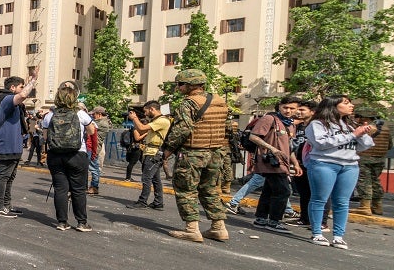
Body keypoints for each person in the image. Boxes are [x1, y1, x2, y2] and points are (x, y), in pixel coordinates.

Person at [162, 69, 231, 243]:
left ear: (190, 85)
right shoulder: (220, 101)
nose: (178, 88)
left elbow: (182, 129)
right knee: (210, 189)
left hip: (193, 153)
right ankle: (219, 228)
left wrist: (168, 150)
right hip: (216, 153)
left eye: (180, 84)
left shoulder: (189, 103)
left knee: (186, 190)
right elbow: (229, 128)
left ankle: (192, 229)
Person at [304, 95, 377, 249]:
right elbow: (321, 143)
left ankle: (338, 236)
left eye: (350, 102)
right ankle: (317, 233)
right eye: (346, 103)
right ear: (333, 106)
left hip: (349, 166)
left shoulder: (348, 125)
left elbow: (364, 146)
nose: (351, 105)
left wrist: (362, 133)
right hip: (324, 164)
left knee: (342, 202)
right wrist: (353, 135)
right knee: (319, 199)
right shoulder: (317, 124)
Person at [42, 81, 96, 231]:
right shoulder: (80, 114)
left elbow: (45, 137)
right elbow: (92, 131)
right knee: (78, 189)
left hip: (56, 155)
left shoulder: (49, 115)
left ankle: (62, 222)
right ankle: (82, 222)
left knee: (60, 189)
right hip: (77, 155)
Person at [244, 96, 301, 233]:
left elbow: (290, 147)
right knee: (284, 191)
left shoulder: (290, 124)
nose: (288, 111)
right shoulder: (270, 119)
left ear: (296, 109)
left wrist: (295, 164)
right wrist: (272, 148)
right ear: (279, 107)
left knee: (269, 190)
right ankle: (274, 221)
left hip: (283, 162)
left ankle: (261, 219)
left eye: (291, 108)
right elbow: (254, 136)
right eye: (285, 107)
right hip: (270, 162)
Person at [0, 73, 37, 217]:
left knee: (9, 178)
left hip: (14, 146)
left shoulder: (14, 103)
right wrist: (33, 81)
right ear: (12, 88)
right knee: (3, 176)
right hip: (6, 145)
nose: (24, 89)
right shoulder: (6, 99)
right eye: (21, 86)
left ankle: (6, 205)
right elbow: (23, 95)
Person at [352, 106, 392, 216]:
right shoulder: (385, 128)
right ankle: (377, 205)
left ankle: (365, 207)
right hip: (380, 159)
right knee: (375, 181)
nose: (356, 119)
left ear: (364, 118)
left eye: (358, 117)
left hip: (364, 158)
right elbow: (390, 145)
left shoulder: (364, 128)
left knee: (364, 182)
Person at [129, 100, 169, 210]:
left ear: (152, 109)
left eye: (146, 111)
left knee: (146, 178)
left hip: (153, 154)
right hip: (152, 152)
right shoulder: (157, 121)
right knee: (156, 180)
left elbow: (141, 128)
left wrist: (135, 118)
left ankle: (142, 201)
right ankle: (158, 202)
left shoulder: (162, 121)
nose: (145, 114)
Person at [88, 105, 111, 194]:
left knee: (94, 168)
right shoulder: (99, 122)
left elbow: (89, 127)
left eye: (94, 114)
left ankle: (94, 186)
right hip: (92, 147)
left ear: (99, 114)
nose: (93, 116)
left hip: (94, 148)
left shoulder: (102, 123)